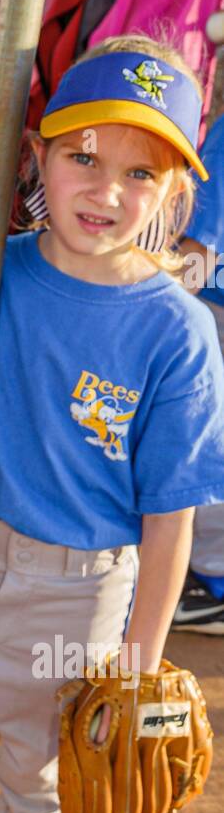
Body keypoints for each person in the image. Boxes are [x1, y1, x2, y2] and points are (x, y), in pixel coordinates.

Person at [0, 34, 224, 813]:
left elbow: (167, 521)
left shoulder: (174, 333)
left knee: (54, 753)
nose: (104, 190)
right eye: (80, 157)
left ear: (173, 195)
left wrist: (138, 661)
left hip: (79, 578)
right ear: (35, 155)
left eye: (139, 171)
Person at [170, 112, 224, 629]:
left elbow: (198, 253)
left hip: (212, 304)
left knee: (201, 441)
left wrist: (151, 312)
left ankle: (210, 581)